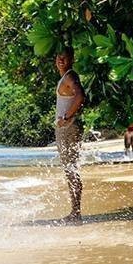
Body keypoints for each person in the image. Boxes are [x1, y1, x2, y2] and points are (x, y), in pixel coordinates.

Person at [54, 46, 85, 222]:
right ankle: (75, 211)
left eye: (64, 58)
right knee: (70, 170)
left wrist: (66, 117)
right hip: (66, 129)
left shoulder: (70, 76)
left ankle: (76, 212)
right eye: (58, 57)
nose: (60, 60)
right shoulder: (65, 77)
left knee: (71, 170)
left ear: (72, 59)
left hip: (68, 129)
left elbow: (80, 96)